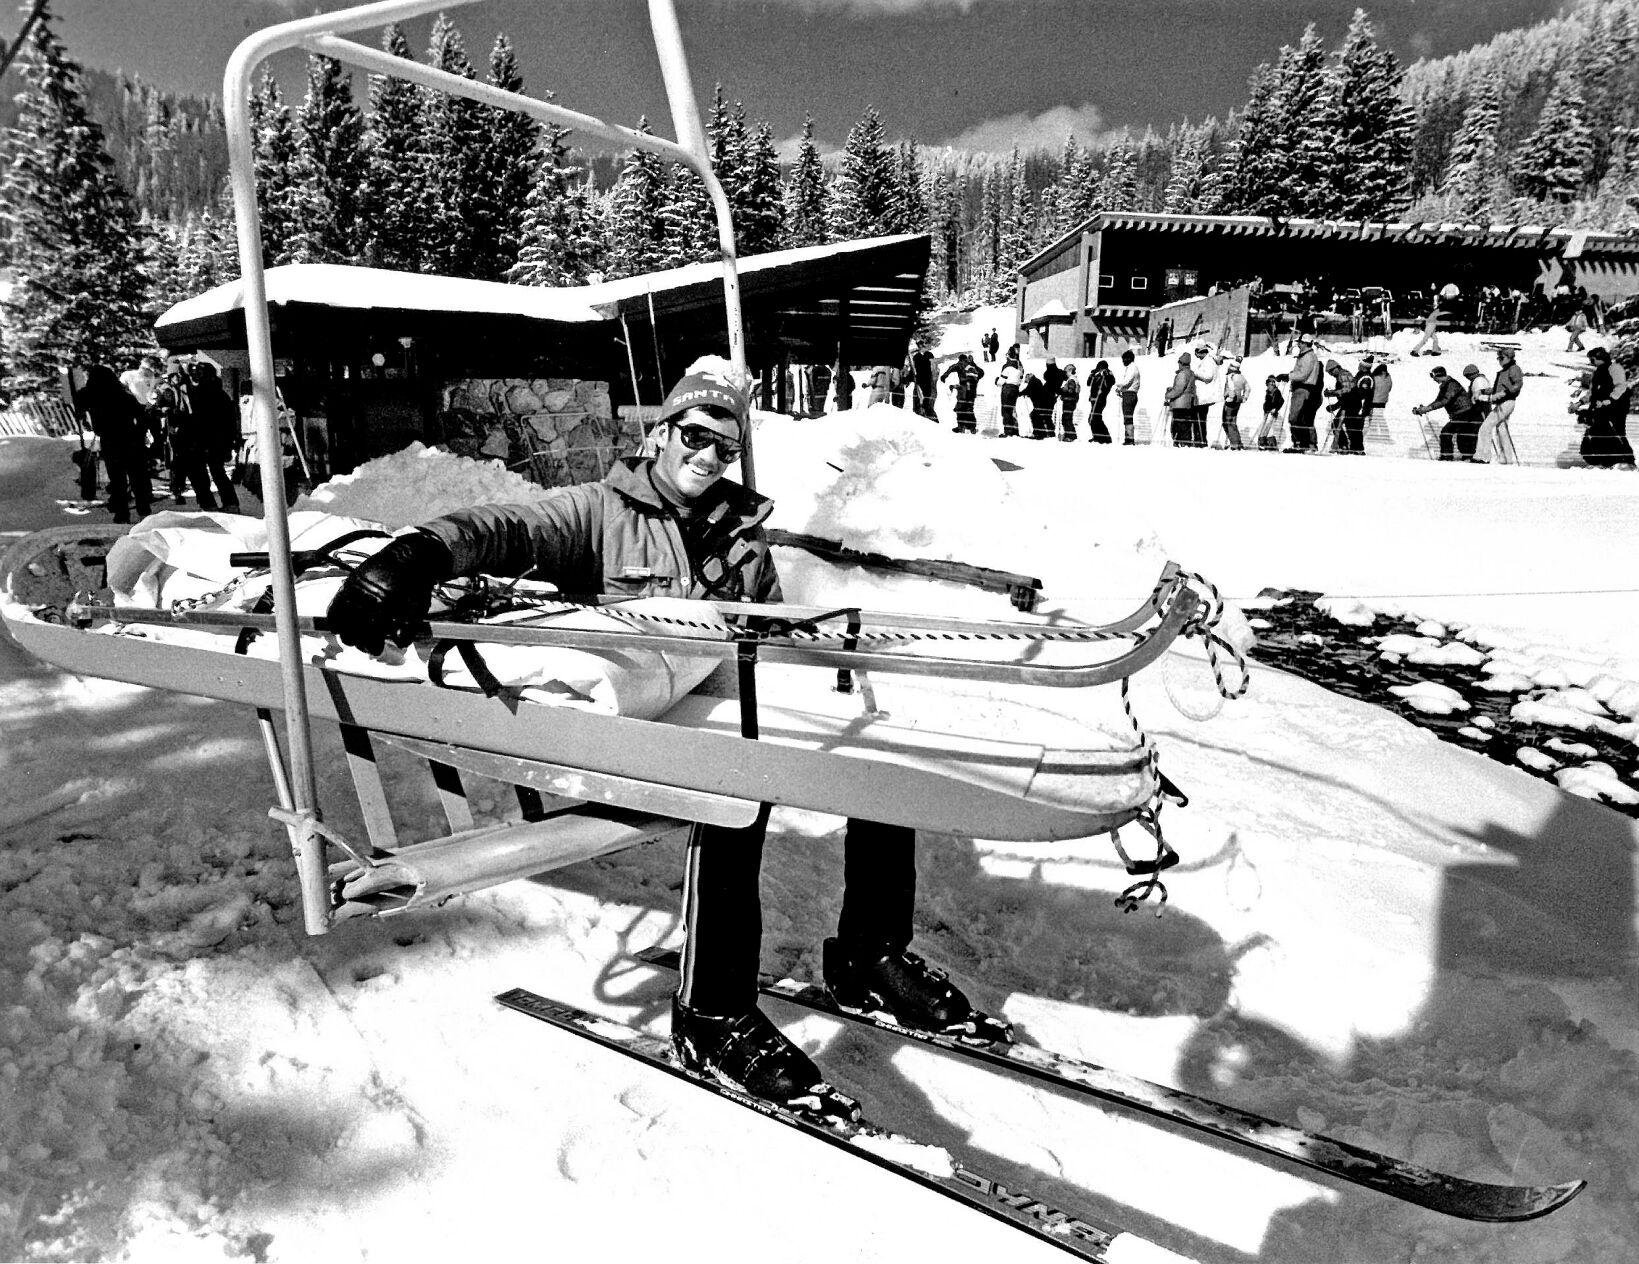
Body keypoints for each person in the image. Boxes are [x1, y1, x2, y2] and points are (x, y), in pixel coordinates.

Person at [324, 363, 1006, 1112]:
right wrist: (419, 553)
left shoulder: (740, 537)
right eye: (695, 436)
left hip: (701, 708)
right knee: (734, 786)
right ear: (662, 432)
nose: (707, 457)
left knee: (867, 747)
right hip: (625, 717)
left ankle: (869, 954)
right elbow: (507, 528)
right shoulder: (600, 510)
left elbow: (768, 643)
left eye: (724, 447)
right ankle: (711, 1015)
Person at [77, 364, 153, 524]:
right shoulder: (122, 394)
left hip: (110, 440)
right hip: (131, 439)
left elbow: (80, 399)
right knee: (137, 477)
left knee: (117, 479)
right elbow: (140, 412)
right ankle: (144, 511)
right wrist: (141, 432)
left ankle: (122, 513)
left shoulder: (92, 394)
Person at [177, 362, 243, 512]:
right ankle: (230, 503)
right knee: (217, 472)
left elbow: (193, 417)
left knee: (199, 473)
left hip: (201, 439)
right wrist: (231, 440)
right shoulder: (220, 393)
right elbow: (231, 420)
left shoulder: (199, 393)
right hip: (217, 440)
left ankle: (209, 504)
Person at [1413, 365, 1483, 461]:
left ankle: (1448, 456)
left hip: (1465, 413)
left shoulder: (1452, 385)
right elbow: (1438, 400)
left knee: (1448, 433)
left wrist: (1427, 408)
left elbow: (1445, 400)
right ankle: (1463, 456)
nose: (1434, 380)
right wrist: (1425, 409)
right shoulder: (1445, 385)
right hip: (1459, 415)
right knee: (1461, 437)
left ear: (1439, 375)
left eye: (1434, 377)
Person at [1580, 346, 1634, 468]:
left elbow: (1621, 387)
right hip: (1601, 407)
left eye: (1592, 359)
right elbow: (1592, 392)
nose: (1591, 362)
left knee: (1617, 431)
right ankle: (1600, 461)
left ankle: (1627, 461)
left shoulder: (1614, 368)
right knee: (1596, 432)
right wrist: (1580, 402)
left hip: (1617, 406)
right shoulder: (1597, 372)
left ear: (1600, 358)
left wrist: (1608, 401)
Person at [1477, 346, 1522, 464]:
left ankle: (1483, 456)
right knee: (1501, 430)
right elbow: (1498, 388)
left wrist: (1504, 393)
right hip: (1504, 402)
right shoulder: (1505, 371)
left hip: (1506, 402)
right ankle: (1506, 458)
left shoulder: (1514, 369)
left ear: (1509, 357)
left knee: (1485, 427)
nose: (1499, 361)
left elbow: (1517, 385)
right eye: (1498, 358)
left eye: (1501, 358)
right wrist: (1484, 391)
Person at [1285, 335, 1323, 452]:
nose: (1298, 344)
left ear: (1305, 343)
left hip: (1303, 389)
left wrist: (1288, 376)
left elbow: (1303, 374)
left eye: (1300, 342)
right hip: (1300, 388)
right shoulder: (1304, 355)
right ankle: (1301, 443)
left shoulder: (1308, 357)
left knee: (1295, 417)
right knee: (1299, 417)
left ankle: (1302, 443)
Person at [940, 352, 983, 433]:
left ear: (960, 360)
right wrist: (973, 364)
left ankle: (961, 427)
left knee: (960, 409)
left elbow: (951, 368)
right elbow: (981, 373)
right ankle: (972, 428)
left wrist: (944, 376)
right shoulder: (972, 365)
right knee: (969, 409)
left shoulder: (959, 365)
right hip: (972, 391)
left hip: (963, 391)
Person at [1190, 344, 1221, 449]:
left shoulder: (1208, 361)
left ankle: (1201, 441)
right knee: (1200, 419)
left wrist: (1195, 373)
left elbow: (1208, 376)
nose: (1196, 356)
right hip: (1204, 395)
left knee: (1200, 419)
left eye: (1197, 354)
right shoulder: (1207, 361)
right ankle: (1200, 440)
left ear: (1200, 352)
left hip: (1205, 396)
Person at [1163, 352, 1197, 446]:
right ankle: (1185, 443)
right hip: (1189, 403)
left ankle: (1180, 442)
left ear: (1181, 363)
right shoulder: (1191, 373)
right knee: (1186, 424)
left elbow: (1179, 389)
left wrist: (1168, 395)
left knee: (1178, 424)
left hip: (1180, 403)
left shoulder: (1182, 374)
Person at [994, 346, 1024, 438]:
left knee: (1006, 410)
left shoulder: (1007, 366)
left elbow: (1001, 382)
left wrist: (996, 381)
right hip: (1016, 389)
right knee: (1013, 409)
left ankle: (1008, 431)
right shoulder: (1020, 366)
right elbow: (1021, 379)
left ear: (1009, 355)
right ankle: (1015, 430)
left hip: (1007, 389)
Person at [1220, 357, 1248, 450]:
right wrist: (1244, 397)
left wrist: (1230, 397)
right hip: (1238, 401)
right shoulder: (1241, 377)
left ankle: (1234, 444)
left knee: (1227, 422)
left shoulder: (1231, 376)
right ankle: (1238, 443)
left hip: (1230, 402)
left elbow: (1231, 388)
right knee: (1233, 422)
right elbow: (1248, 388)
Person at [1085, 359, 1115, 444]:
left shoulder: (1108, 375)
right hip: (1094, 399)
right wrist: (1091, 375)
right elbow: (1088, 383)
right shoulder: (1097, 375)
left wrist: (1107, 375)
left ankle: (1105, 438)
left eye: (1100, 368)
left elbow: (1110, 383)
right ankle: (1097, 437)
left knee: (1095, 418)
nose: (1099, 370)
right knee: (1093, 419)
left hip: (1100, 399)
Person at [1022, 368, 1057, 440]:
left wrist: (1019, 394)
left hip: (1042, 404)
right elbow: (1034, 390)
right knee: (1045, 418)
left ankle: (1040, 434)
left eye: (1026, 380)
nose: (1026, 381)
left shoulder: (1033, 381)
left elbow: (1028, 389)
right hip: (1045, 403)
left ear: (1028, 377)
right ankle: (1049, 434)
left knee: (1035, 416)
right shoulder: (1038, 381)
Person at [1116, 350, 1141, 445]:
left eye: (1124, 359)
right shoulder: (1132, 367)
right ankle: (1128, 438)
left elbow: (1127, 381)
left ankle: (1130, 439)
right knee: (1127, 417)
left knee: (1128, 417)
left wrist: (1119, 386)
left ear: (1128, 359)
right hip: (1129, 394)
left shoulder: (1132, 368)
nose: (1123, 361)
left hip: (1129, 395)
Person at [1256, 375, 1286, 450]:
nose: (1269, 385)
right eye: (1268, 384)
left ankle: (1267, 443)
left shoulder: (1276, 392)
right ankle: (1266, 443)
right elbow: (1267, 402)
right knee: (1265, 427)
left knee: (1268, 427)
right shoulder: (1268, 392)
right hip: (1266, 411)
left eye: (1271, 383)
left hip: (1272, 412)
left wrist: (1276, 409)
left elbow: (1281, 401)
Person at [909, 344, 936, 419]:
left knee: (923, 396)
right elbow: (933, 366)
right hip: (923, 379)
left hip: (923, 379)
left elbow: (933, 366)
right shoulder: (920, 356)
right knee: (924, 396)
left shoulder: (922, 355)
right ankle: (924, 411)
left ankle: (923, 411)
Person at [1056, 363, 1080, 441]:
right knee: (1067, 418)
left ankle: (1070, 436)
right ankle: (1071, 435)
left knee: (1067, 419)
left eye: (1066, 372)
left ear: (1070, 371)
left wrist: (1061, 391)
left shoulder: (1071, 380)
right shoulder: (1073, 379)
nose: (1065, 373)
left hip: (1069, 402)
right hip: (1070, 401)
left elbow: (1070, 391)